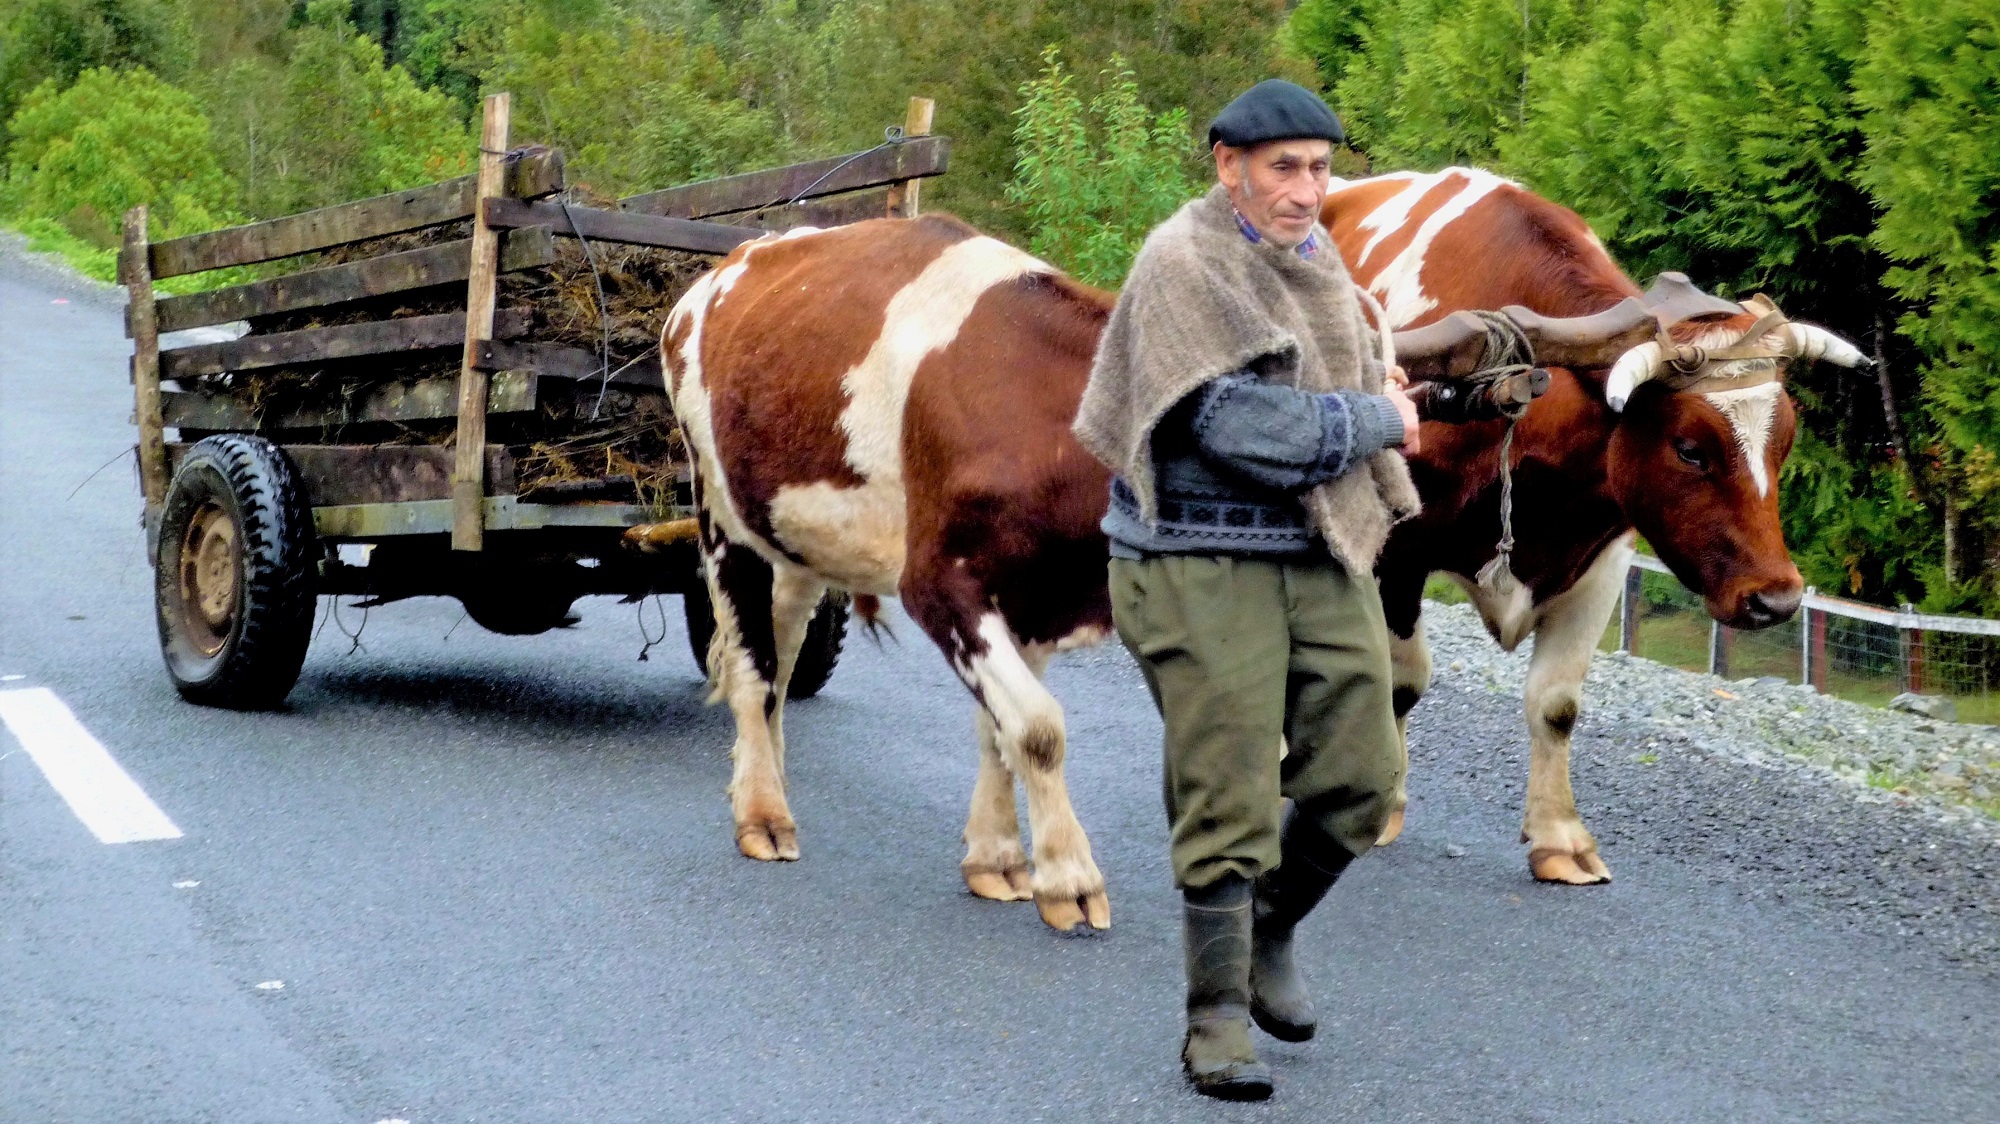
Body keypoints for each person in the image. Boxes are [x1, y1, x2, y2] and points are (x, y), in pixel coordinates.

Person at [1072, 79, 1421, 1102]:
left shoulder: (1314, 260)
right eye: (1283, 167)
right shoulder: (1183, 259)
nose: (1307, 189)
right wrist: (1380, 421)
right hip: (1191, 555)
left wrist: (1374, 409)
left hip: (1315, 545)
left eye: (1320, 167)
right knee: (1226, 786)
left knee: (1361, 773)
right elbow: (1239, 429)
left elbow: (1332, 392)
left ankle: (1268, 923)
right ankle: (1214, 1016)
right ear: (1226, 162)